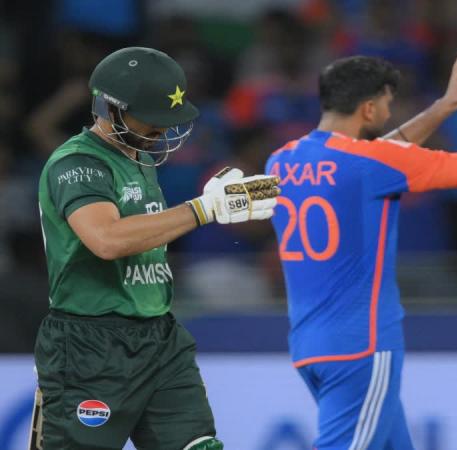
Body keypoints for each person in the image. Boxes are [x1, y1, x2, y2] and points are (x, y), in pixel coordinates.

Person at [266, 44, 457, 449]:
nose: (389, 112)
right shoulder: (373, 164)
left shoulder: (281, 160)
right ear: (368, 109)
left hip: (310, 344)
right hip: (361, 346)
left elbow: (377, 156)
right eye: (386, 103)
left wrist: (447, 104)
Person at [33, 47, 280, 450]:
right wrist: (205, 208)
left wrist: (272, 192)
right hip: (90, 344)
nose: (162, 130)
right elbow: (107, 240)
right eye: (153, 118)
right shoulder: (77, 164)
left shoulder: (140, 161)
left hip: (159, 336)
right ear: (112, 108)